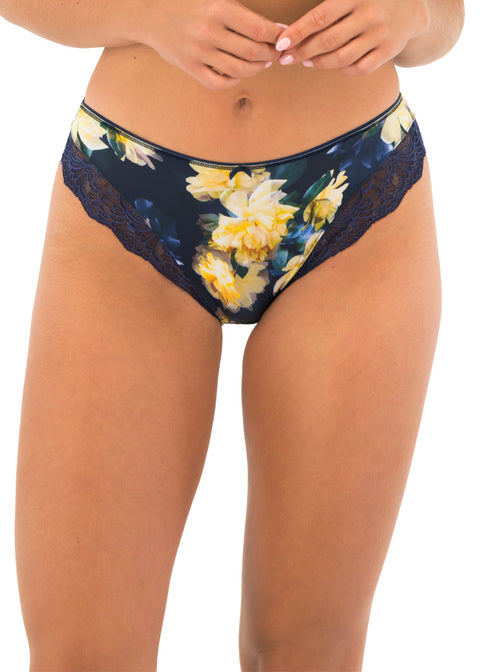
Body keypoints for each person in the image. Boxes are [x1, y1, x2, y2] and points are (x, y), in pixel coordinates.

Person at [1, 0, 464, 669]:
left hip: (354, 194)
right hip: (132, 193)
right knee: (83, 655)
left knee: (308, 651)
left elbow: (447, 18)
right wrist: (147, 15)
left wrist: (411, 17)